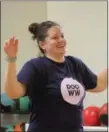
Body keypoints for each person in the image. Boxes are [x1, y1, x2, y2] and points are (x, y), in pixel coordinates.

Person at [4, 20, 108, 132]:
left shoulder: (75, 64)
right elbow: (13, 93)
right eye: (55, 38)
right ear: (42, 44)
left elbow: (99, 84)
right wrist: (11, 59)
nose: (61, 40)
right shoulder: (36, 66)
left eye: (62, 36)